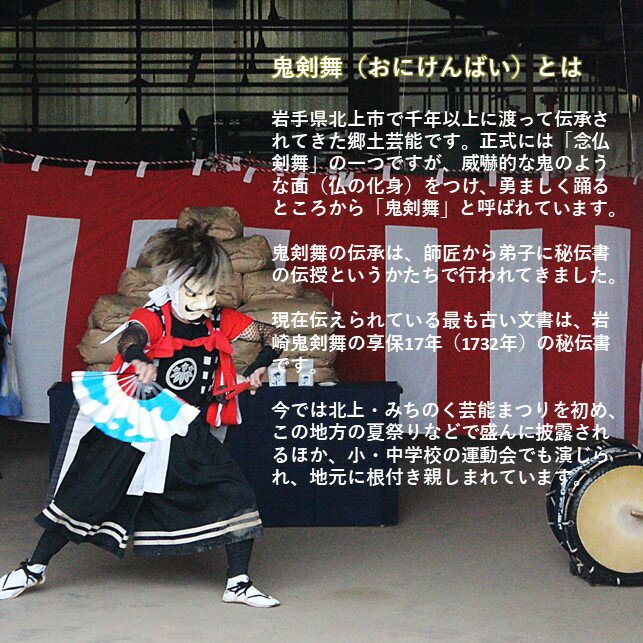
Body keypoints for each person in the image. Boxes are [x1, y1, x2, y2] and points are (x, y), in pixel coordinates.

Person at [0, 222, 285, 607]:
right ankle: (33, 568)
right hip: (137, 423)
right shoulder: (156, 316)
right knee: (88, 494)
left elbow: (273, 335)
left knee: (234, 492)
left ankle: (238, 582)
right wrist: (137, 358)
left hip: (187, 427)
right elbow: (130, 336)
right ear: (174, 284)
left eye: (209, 293)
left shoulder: (221, 319)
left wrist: (260, 365)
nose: (203, 303)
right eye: (194, 293)